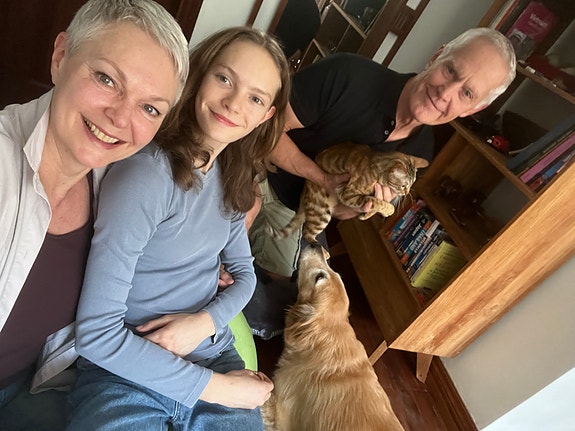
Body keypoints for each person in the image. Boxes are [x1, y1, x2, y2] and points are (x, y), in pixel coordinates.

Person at [65, 27, 290, 431]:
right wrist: (220, 389)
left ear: (266, 115)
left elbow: (245, 274)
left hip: (212, 353)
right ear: (200, 74)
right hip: (129, 366)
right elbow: (97, 336)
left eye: (255, 98)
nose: (234, 103)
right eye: (224, 78)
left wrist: (204, 323)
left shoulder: (232, 174)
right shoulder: (148, 176)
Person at [242, 27, 516, 339]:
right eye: (451, 70)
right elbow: (265, 128)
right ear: (437, 56)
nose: (446, 93)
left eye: (467, 93)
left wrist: (360, 207)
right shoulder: (347, 74)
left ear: (474, 109)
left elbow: (339, 212)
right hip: (256, 166)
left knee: (284, 305)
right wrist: (321, 177)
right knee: (234, 239)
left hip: (299, 210)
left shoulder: (419, 153)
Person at [0, 0, 189, 429]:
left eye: (150, 108)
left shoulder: (114, 187)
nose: (120, 117)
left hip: (35, 386)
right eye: (106, 79)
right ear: (60, 56)